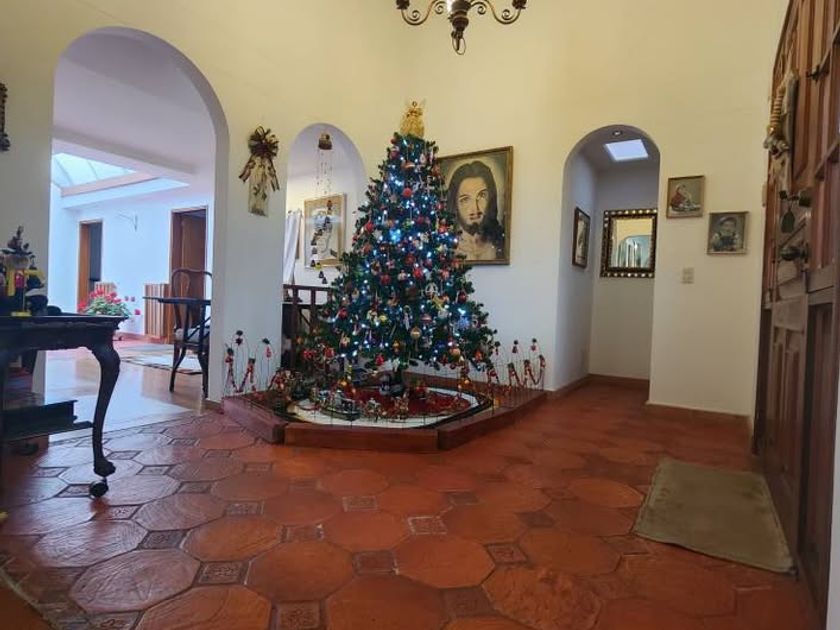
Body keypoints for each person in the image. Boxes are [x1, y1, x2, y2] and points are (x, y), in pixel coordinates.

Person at [447, 160, 505, 261]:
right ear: (454, 204)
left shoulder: (500, 243)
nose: (475, 209)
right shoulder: (446, 247)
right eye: (465, 199)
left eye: (482, 196)